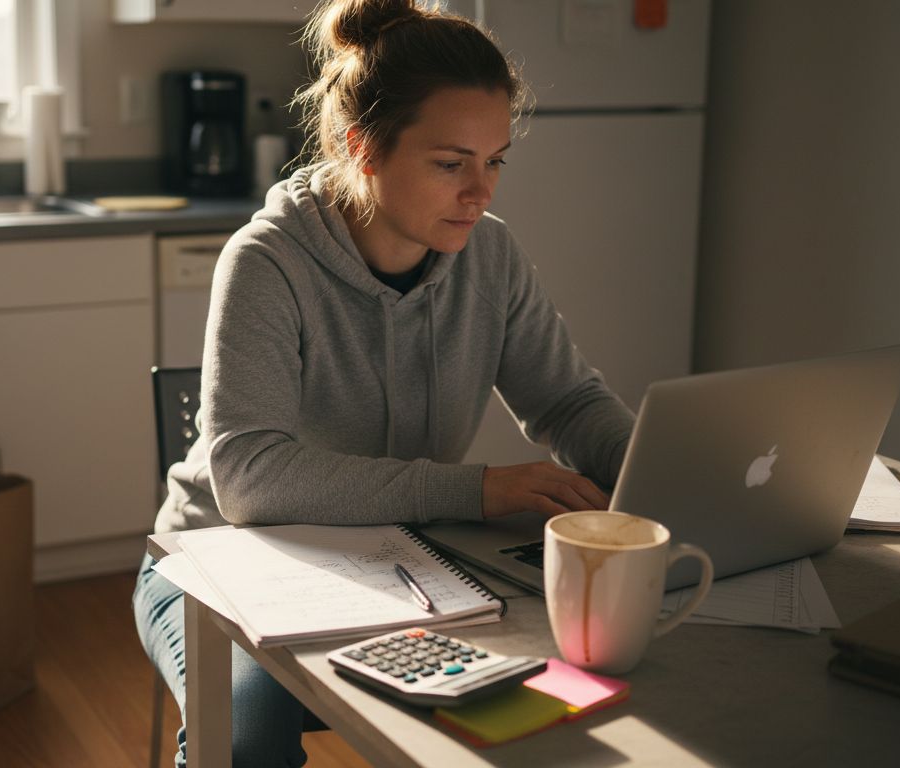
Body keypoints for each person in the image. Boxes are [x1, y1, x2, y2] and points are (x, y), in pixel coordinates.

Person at [133, 0, 635, 764]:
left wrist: (655, 465)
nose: (482, 192)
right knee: (247, 738)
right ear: (361, 146)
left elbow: (566, 402)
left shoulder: (489, 257)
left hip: (404, 563)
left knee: (569, 693)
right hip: (224, 563)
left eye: (495, 160)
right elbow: (249, 479)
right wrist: (477, 490)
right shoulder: (267, 260)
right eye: (450, 163)